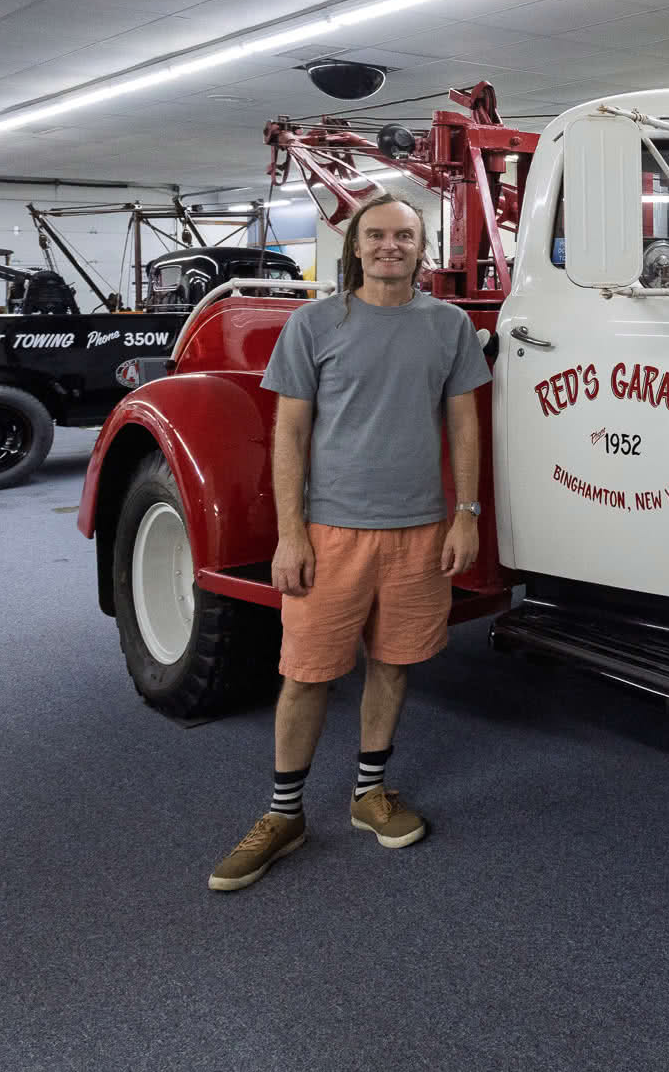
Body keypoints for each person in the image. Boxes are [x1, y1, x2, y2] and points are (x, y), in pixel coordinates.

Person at [208, 193, 489, 891]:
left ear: (422, 248)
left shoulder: (448, 326)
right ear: (355, 248)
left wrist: (467, 513)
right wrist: (290, 535)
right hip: (330, 533)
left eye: (404, 235)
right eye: (377, 236)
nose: (390, 245)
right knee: (306, 674)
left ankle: (369, 795)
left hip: (419, 530)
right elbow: (290, 434)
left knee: (394, 664)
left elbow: (463, 427)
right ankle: (283, 815)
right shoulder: (312, 325)